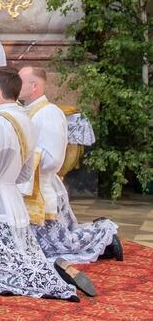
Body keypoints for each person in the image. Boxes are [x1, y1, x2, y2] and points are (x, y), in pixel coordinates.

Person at [0, 67, 79, 300]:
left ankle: (43, 281)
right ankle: (50, 277)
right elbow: (25, 175)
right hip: (14, 204)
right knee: (19, 258)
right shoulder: (27, 122)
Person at [18, 65, 123, 265]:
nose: (16, 86)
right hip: (30, 186)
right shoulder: (27, 111)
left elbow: (54, 159)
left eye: (21, 82)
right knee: (40, 248)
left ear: (35, 86)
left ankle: (105, 236)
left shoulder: (49, 112)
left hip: (44, 188)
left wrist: (23, 162)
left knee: (58, 246)